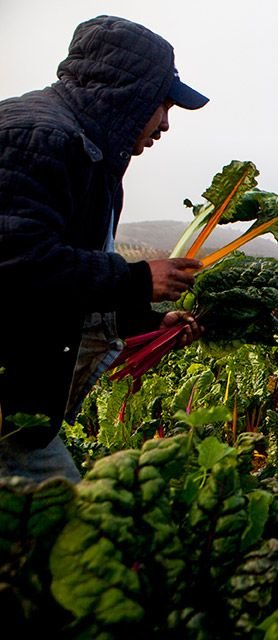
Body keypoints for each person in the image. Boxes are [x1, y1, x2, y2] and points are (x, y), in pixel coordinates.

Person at [0, 16, 209, 483]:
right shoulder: (41, 139)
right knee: (71, 539)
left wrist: (147, 320)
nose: (166, 124)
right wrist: (138, 279)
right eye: (163, 106)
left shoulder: (85, 151)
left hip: (20, 410)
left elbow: (62, 291)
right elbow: (16, 266)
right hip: (10, 409)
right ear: (128, 95)